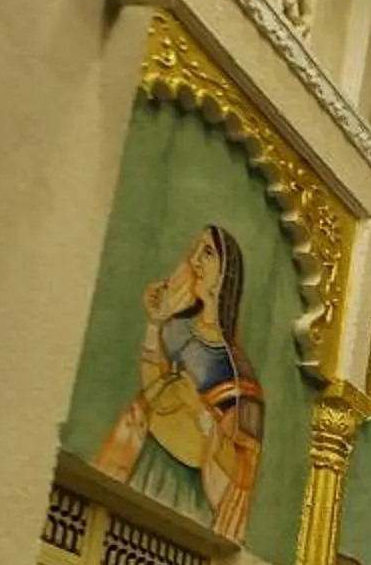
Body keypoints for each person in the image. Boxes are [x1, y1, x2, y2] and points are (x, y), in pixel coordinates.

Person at [94, 225, 263, 542]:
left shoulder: (238, 372)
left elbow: (242, 467)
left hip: (187, 489)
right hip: (145, 461)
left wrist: (201, 415)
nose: (195, 260)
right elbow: (154, 392)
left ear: (226, 274)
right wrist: (154, 323)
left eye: (208, 253)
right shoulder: (175, 331)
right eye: (196, 250)